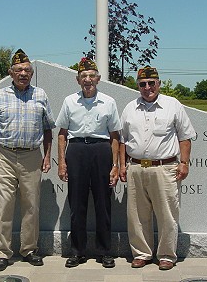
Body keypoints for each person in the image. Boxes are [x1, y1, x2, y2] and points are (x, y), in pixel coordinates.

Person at [0, 49, 55, 271]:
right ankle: (2, 253)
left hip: (32, 156)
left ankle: (29, 249)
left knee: (31, 205)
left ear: (31, 74)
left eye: (27, 70)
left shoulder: (40, 95)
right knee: (4, 205)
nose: (23, 73)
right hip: (4, 155)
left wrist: (48, 156)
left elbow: (48, 129)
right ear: (11, 73)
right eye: (19, 70)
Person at [119, 66, 195, 271]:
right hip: (135, 167)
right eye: (142, 84)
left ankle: (167, 255)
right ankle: (142, 254)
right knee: (137, 215)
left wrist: (184, 163)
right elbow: (123, 141)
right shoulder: (130, 108)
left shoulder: (173, 105)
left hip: (165, 167)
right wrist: (122, 166)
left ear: (159, 83)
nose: (147, 87)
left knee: (167, 214)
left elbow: (185, 137)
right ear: (138, 86)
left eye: (151, 83)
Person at [56, 57, 121, 268]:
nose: (88, 79)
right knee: (77, 204)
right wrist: (62, 163)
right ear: (77, 80)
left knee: (103, 203)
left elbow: (114, 136)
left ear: (98, 79)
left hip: (101, 151)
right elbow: (62, 134)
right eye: (83, 76)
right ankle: (77, 251)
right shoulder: (69, 102)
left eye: (91, 75)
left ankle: (104, 251)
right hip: (76, 151)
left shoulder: (109, 102)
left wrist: (115, 165)